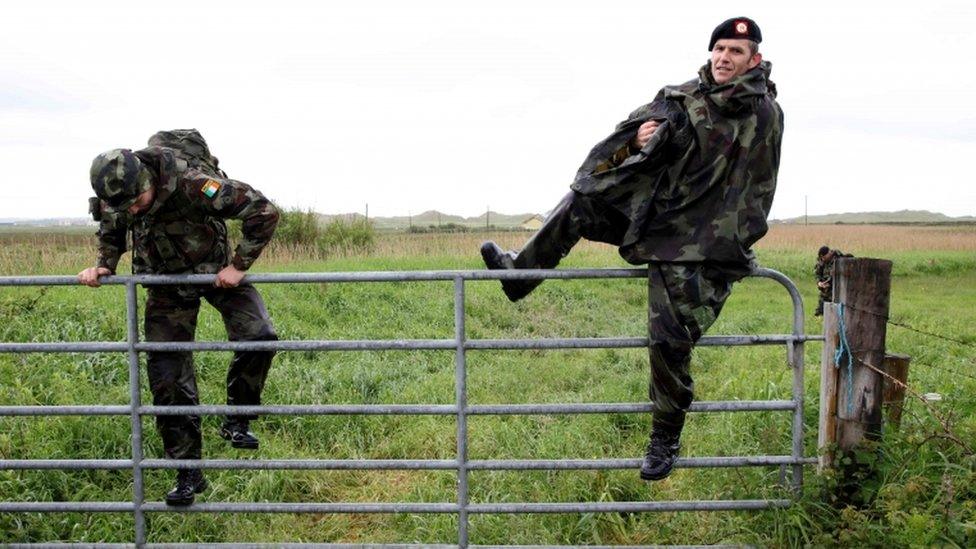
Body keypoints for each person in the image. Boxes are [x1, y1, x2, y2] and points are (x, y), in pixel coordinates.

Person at [480, 17, 783, 481]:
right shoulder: (682, 96)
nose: (724, 58)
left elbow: (756, 186)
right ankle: (521, 275)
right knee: (582, 202)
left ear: (754, 60)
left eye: (736, 52)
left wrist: (729, 246)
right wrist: (642, 138)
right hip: (657, 218)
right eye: (719, 49)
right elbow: (632, 145)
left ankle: (665, 436)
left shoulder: (761, 113)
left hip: (702, 240)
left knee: (668, 341)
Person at [78, 133, 280, 506]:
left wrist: (238, 266)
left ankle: (238, 418)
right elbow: (111, 229)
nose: (133, 211)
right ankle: (188, 472)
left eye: (137, 202)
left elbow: (263, 211)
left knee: (259, 335)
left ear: (148, 181)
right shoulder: (118, 194)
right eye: (125, 207)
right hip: (166, 284)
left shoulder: (193, 185)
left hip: (216, 271)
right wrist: (104, 265)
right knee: (169, 377)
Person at [814, 246, 853, 316]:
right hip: (826, 288)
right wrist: (819, 283)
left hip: (838, 287)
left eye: (824, 257)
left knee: (836, 310)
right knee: (821, 309)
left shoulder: (839, 258)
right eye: (821, 258)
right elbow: (817, 274)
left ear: (829, 253)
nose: (823, 259)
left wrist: (830, 282)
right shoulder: (822, 260)